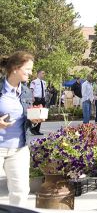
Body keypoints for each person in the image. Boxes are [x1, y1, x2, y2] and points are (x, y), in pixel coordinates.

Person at [0, 51, 43, 206]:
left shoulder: (25, 91)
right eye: (28, 69)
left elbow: (27, 120)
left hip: (19, 148)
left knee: (20, 191)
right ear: (16, 68)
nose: (31, 73)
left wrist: (34, 119)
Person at [29, 69, 47, 135]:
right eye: (42, 73)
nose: (44, 74)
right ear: (38, 74)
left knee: (42, 116)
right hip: (36, 99)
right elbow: (31, 90)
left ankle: (37, 130)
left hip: (42, 99)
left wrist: (45, 99)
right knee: (35, 115)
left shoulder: (44, 82)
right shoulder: (34, 82)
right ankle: (33, 129)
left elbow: (44, 91)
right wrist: (32, 97)